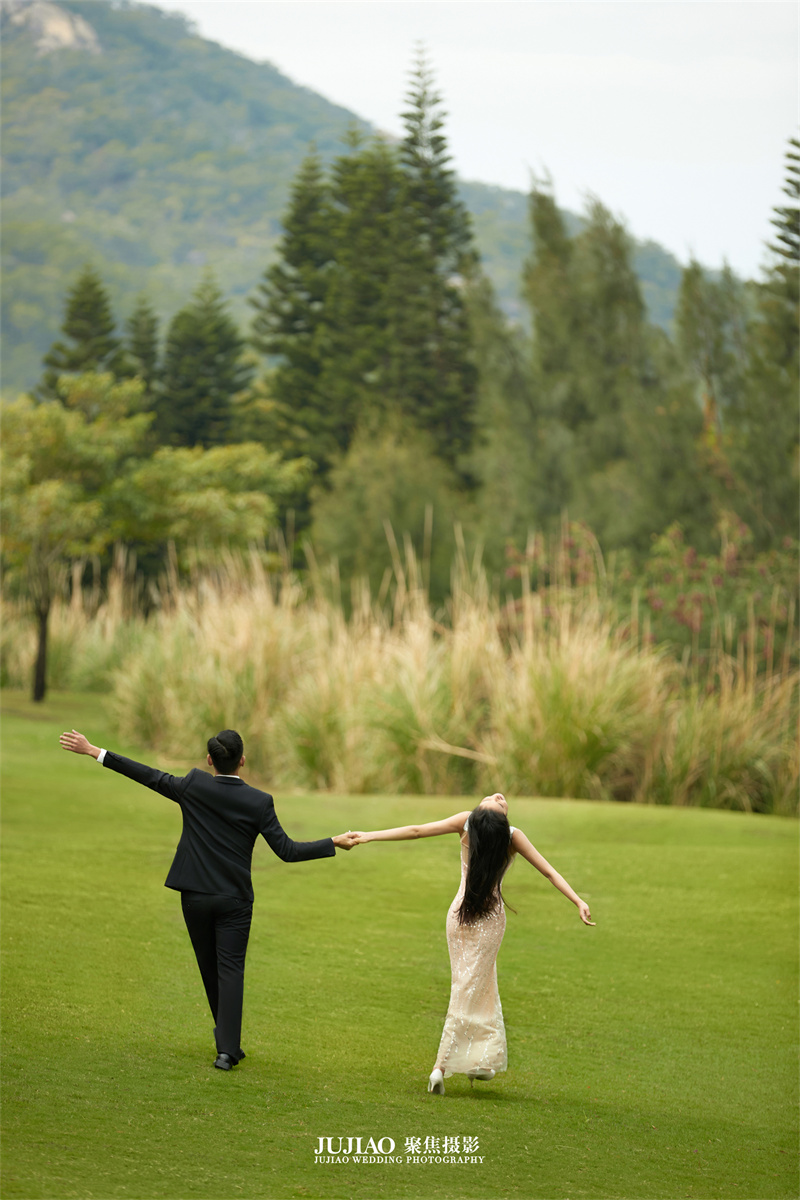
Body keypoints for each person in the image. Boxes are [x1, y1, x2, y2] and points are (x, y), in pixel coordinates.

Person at [59, 727, 358, 1070]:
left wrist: (94, 750)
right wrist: (333, 842)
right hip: (234, 901)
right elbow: (287, 851)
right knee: (230, 971)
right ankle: (227, 1050)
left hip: (194, 897)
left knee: (209, 968)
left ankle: (228, 1045)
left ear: (209, 760)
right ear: (242, 761)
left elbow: (148, 775)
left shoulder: (193, 785)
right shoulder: (259, 801)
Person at [353, 792, 594, 1094]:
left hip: (459, 916)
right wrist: (577, 900)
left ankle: (479, 1061)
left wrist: (369, 835)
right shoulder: (512, 836)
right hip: (490, 921)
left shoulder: (466, 823)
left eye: (498, 802)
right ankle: (442, 1066)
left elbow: (416, 831)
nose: (498, 796)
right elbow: (548, 871)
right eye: (496, 802)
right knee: (472, 987)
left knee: (470, 986)